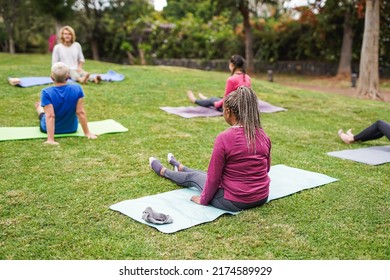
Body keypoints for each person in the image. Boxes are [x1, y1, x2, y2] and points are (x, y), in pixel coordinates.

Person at [149, 86, 271, 212]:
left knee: (194, 177)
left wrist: (203, 199)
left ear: (228, 111)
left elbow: (213, 178)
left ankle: (163, 171)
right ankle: (180, 167)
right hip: (261, 197)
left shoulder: (224, 138)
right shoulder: (264, 136)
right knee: (202, 175)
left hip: (233, 201)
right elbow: (266, 168)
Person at [35, 62, 97, 145]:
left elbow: (50, 116)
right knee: (45, 111)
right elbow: (80, 112)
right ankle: (39, 106)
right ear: (68, 77)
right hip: (71, 128)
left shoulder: (46, 92)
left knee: (43, 114)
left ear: (51, 77)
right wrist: (87, 133)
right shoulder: (77, 88)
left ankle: (39, 107)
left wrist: (51, 139)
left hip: (47, 128)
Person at [187, 54, 251, 112]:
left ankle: (194, 100)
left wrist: (216, 104)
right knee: (216, 98)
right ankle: (206, 99)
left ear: (232, 65)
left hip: (234, 110)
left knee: (212, 101)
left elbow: (226, 99)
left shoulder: (231, 80)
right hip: (245, 107)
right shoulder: (247, 77)